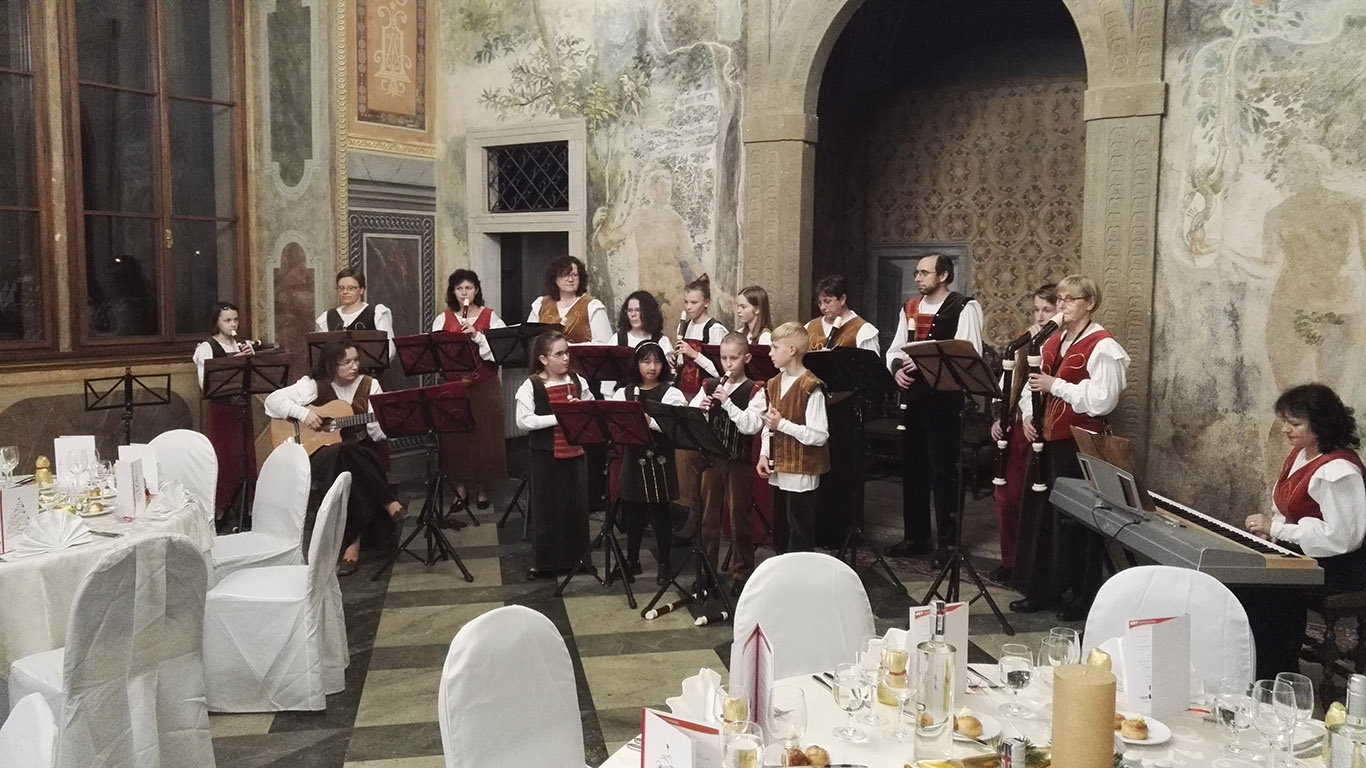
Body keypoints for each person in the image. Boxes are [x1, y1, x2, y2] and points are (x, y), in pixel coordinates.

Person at [1009, 274, 1130, 620]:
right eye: (1060, 299)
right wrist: (1029, 414)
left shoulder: (1103, 345)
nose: (1063, 305)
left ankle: (1078, 595)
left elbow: (1102, 400)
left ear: (1089, 303)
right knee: (1041, 517)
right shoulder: (1054, 339)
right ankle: (1041, 589)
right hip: (1046, 442)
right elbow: (1032, 385)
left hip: (1076, 444)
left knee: (1074, 522)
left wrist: (1056, 385)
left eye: (1070, 300)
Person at [1243, 383, 1365, 677]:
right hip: (1307, 553)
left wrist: (1278, 530)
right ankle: (1255, 667)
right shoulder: (1301, 455)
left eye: (1295, 424)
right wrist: (1273, 533)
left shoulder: (1338, 471)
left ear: (1321, 425)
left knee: (1268, 592)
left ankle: (1276, 673)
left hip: (1339, 566)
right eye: (1285, 421)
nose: (1285, 430)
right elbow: (1287, 512)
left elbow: (1342, 538)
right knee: (1245, 579)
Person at [264, 340, 406, 576]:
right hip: (317, 454)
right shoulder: (313, 385)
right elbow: (272, 401)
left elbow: (376, 432)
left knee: (346, 458)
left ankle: (352, 544)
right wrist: (304, 414)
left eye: (356, 360)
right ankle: (387, 500)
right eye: (346, 362)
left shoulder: (370, 385)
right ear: (332, 364)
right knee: (342, 452)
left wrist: (389, 424)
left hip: (359, 454)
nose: (354, 366)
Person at [884, 255, 984, 567]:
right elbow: (895, 348)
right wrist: (897, 368)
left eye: (924, 273)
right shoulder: (909, 308)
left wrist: (926, 360)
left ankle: (949, 544)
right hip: (914, 397)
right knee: (913, 467)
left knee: (945, 471)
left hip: (945, 400)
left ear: (943, 275)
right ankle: (916, 537)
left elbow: (969, 353)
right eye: (916, 273)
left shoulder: (964, 307)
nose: (917, 277)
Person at [988, 284, 1057, 582]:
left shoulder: (1061, 346)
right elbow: (1004, 389)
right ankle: (1010, 561)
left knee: (1036, 502)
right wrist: (998, 417)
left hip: (1046, 432)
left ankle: (1033, 566)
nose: (1039, 317)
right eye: (1036, 310)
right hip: (1017, 430)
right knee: (1006, 496)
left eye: (1047, 310)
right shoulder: (1022, 344)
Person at [805, 274, 879, 547]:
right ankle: (819, 529)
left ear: (843, 299)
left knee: (843, 471)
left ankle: (845, 531)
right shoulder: (811, 327)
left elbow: (870, 374)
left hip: (846, 410)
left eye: (828, 301)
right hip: (816, 407)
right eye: (820, 302)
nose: (823, 307)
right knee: (819, 466)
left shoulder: (863, 330)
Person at [514, 330, 594, 579]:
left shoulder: (577, 380)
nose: (566, 358)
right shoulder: (533, 384)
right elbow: (523, 421)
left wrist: (581, 410)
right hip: (545, 455)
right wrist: (559, 417)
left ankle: (578, 560)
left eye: (567, 352)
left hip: (575, 451)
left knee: (576, 508)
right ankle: (545, 563)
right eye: (558, 354)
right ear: (543, 359)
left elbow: (591, 406)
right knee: (548, 508)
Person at [693, 333, 765, 594]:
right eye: (724, 358)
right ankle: (707, 572)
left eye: (734, 358)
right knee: (708, 518)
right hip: (711, 461)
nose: (728, 364)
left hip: (737, 462)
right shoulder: (709, 385)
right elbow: (692, 417)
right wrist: (701, 411)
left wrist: (728, 404)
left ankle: (742, 573)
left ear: (746, 358)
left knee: (739, 518)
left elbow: (751, 426)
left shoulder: (755, 390)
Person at [612, 342, 688, 584]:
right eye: (646, 361)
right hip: (633, 459)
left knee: (660, 513)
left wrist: (649, 421)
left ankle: (664, 563)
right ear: (636, 364)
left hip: (659, 460)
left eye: (657, 362)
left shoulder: (671, 394)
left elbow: (676, 428)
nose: (652, 367)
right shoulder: (623, 393)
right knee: (633, 511)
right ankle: (631, 560)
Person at [431, 269, 507, 511]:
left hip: (484, 385)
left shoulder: (490, 316)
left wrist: (477, 336)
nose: (464, 293)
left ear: (476, 290)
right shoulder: (443, 319)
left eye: (469, 288)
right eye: (459, 289)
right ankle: (460, 488)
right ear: (453, 292)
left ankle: (483, 488)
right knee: (456, 438)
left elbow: (501, 352)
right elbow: (435, 354)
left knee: (486, 437)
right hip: (454, 386)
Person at [757, 322, 830, 553]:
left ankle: (801, 571)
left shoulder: (811, 387)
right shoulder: (774, 383)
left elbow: (819, 436)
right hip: (780, 466)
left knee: (800, 530)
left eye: (774, 347)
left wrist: (783, 425)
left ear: (791, 350)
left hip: (802, 469)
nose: (770, 353)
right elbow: (769, 424)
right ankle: (782, 566)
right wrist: (763, 454)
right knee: (782, 529)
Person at [672, 274, 729, 542]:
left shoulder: (715, 330)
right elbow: (683, 367)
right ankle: (686, 508)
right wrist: (676, 362)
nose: (689, 307)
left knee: (696, 456)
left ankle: (698, 516)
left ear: (706, 302)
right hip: (686, 394)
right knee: (683, 453)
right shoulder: (684, 327)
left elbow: (722, 370)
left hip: (707, 398)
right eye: (686, 302)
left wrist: (695, 355)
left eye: (694, 302)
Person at [192, 301, 258, 530]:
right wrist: (233, 362)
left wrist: (250, 359)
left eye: (235, 320)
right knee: (223, 457)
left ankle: (246, 506)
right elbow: (206, 384)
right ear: (217, 323)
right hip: (222, 409)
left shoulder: (243, 344)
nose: (233, 324)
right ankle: (222, 508)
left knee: (244, 455)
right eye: (227, 320)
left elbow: (255, 378)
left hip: (243, 407)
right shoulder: (207, 347)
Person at [527, 256, 612, 344]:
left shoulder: (592, 306)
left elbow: (605, 344)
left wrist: (570, 347)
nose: (570, 279)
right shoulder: (541, 304)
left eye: (574, 275)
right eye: (565, 275)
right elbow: (530, 340)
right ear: (555, 278)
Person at [316, 267, 395, 360]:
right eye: (341, 288)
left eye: (350, 288)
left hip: (369, 368)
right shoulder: (328, 317)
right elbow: (321, 352)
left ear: (361, 290)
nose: (345, 292)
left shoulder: (376, 313)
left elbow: (389, 350)